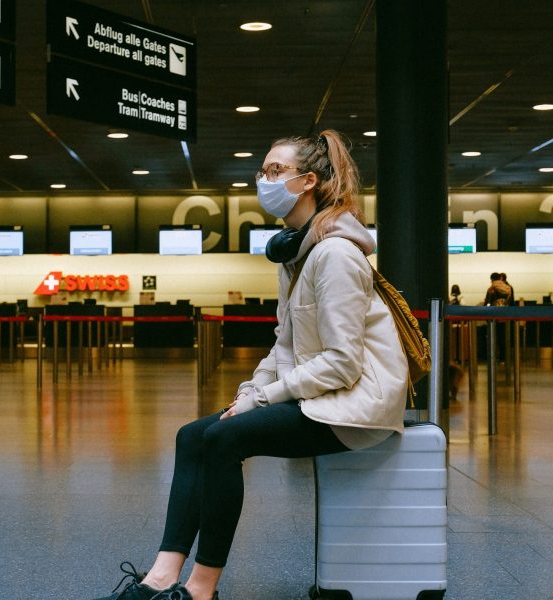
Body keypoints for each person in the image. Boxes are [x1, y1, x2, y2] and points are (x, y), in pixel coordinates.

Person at [93, 131, 409, 600]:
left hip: (353, 408)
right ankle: (159, 577)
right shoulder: (296, 255)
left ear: (308, 182)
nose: (263, 180)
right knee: (191, 435)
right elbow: (285, 341)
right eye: (262, 171)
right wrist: (251, 389)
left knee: (224, 439)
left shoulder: (336, 255)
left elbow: (343, 364)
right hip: (319, 397)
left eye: (275, 171)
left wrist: (263, 399)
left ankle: (202, 589)